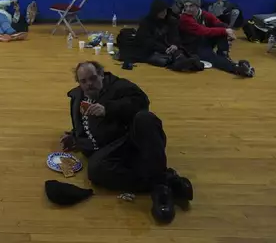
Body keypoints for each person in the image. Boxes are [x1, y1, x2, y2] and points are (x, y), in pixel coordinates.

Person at [60, 61, 193, 224]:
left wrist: (108, 109)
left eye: (93, 78)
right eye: (84, 81)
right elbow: (82, 124)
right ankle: (165, 180)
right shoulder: (77, 96)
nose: (89, 84)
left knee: (145, 118)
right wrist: (75, 137)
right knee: (95, 170)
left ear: (102, 75)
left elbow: (142, 102)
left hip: (131, 141)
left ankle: (161, 192)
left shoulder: (119, 86)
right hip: (110, 149)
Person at [179, 0, 254, 77]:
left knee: (221, 27)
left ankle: (223, 54)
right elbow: (202, 31)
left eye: (191, 6)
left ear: (198, 6)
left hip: (201, 41)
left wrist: (228, 32)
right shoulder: (184, 18)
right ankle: (235, 68)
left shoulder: (203, 14)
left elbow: (218, 23)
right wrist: (225, 31)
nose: (188, 9)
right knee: (212, 57)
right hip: (191, 47)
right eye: (186, 6)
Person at [135, 0, 183, 67]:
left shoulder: (171, 21)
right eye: (161, 11)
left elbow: (175, 35)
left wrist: (175, 45)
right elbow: (147, 41)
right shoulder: (146, 23)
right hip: (153, 50)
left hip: (169, 49)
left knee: (181, 55)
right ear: (155, 12)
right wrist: (164, 49)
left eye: (165, 10)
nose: (164, 13)